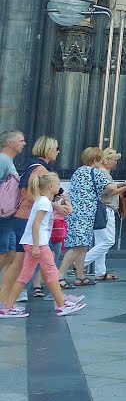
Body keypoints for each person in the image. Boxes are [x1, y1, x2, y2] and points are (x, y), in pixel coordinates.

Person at [0, 173, 85, 317]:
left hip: (34, 243)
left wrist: (67, 201)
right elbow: (36, 224)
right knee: (51, 272)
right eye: (58, 184)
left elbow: (68, 212)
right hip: (38, 243)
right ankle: (62, 304)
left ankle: (7, 307)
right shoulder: (45, 202)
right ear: (51, 187)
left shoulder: (42, 200)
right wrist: (35, 247)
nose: (59, 187)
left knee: (25, 275)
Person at [57, 148, 126, 288]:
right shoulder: (95, 172)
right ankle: (60, 275)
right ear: (95, 160)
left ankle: (80, 276)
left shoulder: (77, 172)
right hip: (85, 214)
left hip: (74, 213)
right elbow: (111, 188)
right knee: (77, 246)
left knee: (83, 245)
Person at [6, 136, 62, 301]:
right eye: (55, 148)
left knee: (27, 260)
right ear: (48, 150)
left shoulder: (34, 166)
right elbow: (30, 194)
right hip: (26, 217)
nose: (58, 152)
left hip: (25, 218)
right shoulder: (40, 170)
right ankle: (9, 297)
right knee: (23, 260)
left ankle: (10, 298)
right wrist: (55, 205)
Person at [83, 148, 126, 281]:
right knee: (108, 241)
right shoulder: (103, 172)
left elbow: (109, 187)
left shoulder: (100, 172)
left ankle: (100, 271)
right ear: (106, 160)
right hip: (106, 209)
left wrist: (123, 184)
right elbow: (109, 191)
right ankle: (81, 262)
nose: (115, 163)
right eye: (114, 160)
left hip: (101, 209)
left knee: (101, 241)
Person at [0, 131, 25, 295]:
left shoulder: (7, 161)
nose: (23, 143)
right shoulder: (3, 160)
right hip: (3, 212)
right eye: (20, 140)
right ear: (10, 143)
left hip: (7, 214)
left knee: (11, 250)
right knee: (3, 250)